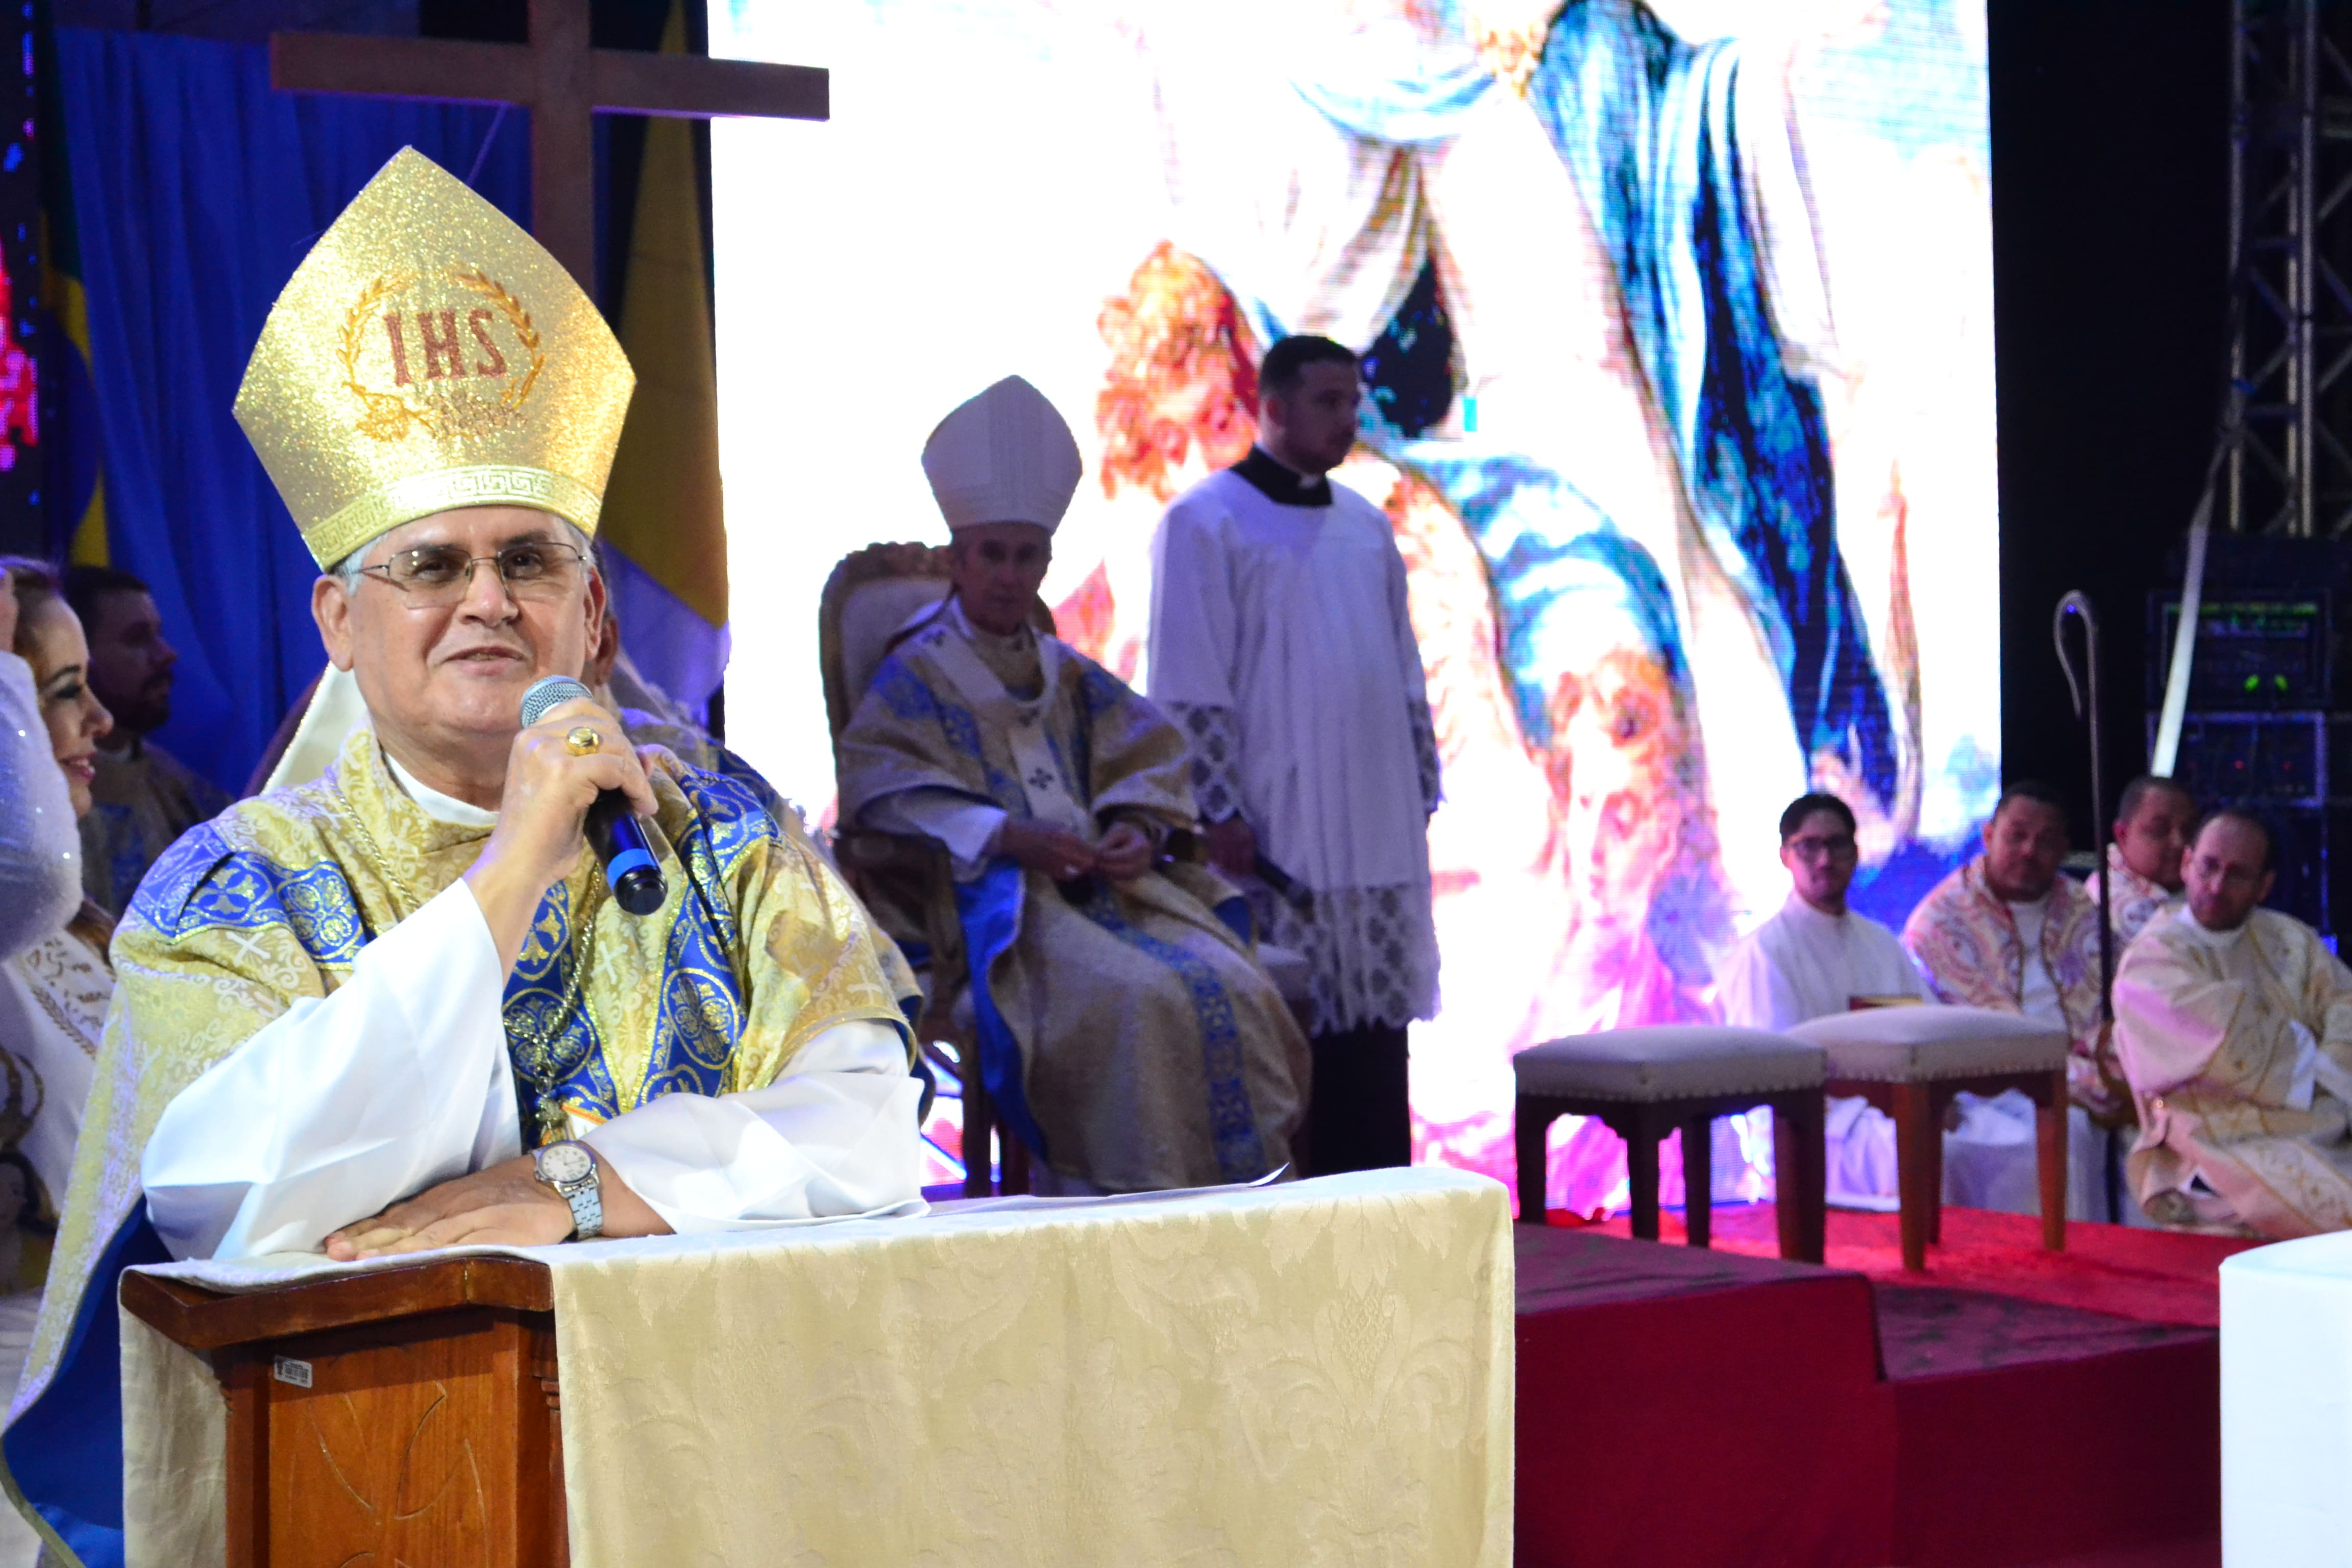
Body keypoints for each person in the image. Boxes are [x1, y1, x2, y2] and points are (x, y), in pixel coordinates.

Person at [6, 149, 924, 1560]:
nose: (487, 598)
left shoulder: (722, 832)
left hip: (728, 1458)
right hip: (387, 1470)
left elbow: (867, 1119)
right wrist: (511, 870)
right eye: (432, 566)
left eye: (529, 561)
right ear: (338, 622)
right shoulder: (236, 883)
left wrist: (581, 1186)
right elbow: (233, 1199)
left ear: (593, 613)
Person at [838, 375, 1307, 1194]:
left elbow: (1146, 755)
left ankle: (1242, 1210)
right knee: (1140, 999)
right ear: (958, 559)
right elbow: (881, 783)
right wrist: (1008, 837)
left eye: (1027, 557)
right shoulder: (916, 674)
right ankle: (1131, 1209)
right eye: (992, 554)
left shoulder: (1067, 671)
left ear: (1047, 562)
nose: (1009, 575)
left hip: (1112, 894)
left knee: (1232, 983)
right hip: (1000, 911)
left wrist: (1137, 829)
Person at [1146, 334, 1440, 1174]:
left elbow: (1402, 665)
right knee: (1288, 1042)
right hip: (1276, 821)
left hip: (1373, 814)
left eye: (1353, 403)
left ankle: (1386, 1215)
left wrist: (1417, 777)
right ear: (1272, 408)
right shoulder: (1204, 522)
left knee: (1376, 1048)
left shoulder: (1365, 526)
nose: (1348, 420)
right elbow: (1189, 677)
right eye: (1327, 403)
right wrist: (1217, 807)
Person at [2114, 810, 2352, 1236]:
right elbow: (2223, 1040)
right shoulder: (2153, 958)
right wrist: (2312, 1057)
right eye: (2209, 866)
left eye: (2238, 874)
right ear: (2187, 864)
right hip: (2216, 1141)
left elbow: (2344, 1001)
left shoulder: (2290, 938)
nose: (2217, 886)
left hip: (2318, 1122)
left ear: (2264, 886)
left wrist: (2332, 1063)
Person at [1904, 780, 2130, 1219]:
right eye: (2017, 836)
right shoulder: (1940, 922)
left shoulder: (2082, 909)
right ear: (1989, 836)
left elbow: (2121, 1006)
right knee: (2067, 1131)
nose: (2030, 851)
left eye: (2045, 841)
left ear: (2064, 848)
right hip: (1980, 1087)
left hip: (2080, 1072)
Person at [1719, 792, 1923, 1207]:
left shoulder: (1881, 944)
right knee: (1925, 1148)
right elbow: (1772, 1077)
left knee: (1999, 1134)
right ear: (1785, 857)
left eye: (1837, 845)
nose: (1825, 860)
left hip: (1891, 1108)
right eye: (1809, 847)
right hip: (1814, 1125)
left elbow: (1924, 1032)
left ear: (1855, 852)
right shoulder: (1765, 954)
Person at [63, 565, 229, 916]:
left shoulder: (178, 790)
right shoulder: (42, 800)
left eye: (159, 634)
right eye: (138, 639)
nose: (167, 654)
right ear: (79, 658)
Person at [2098, 774, 2196, 950]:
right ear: (2122, 834)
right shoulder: (2118, 908)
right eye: (2160, 830)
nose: (2179, 842)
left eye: (2188, 830)